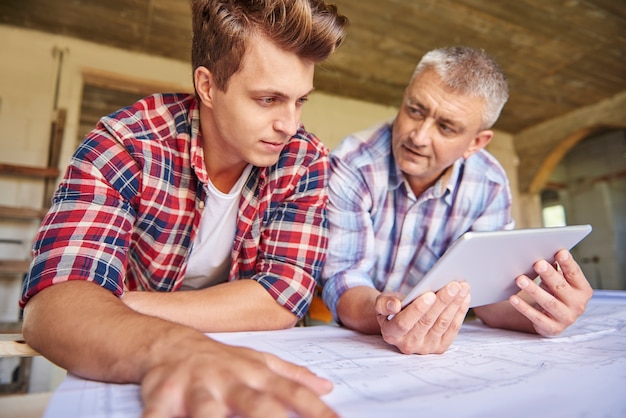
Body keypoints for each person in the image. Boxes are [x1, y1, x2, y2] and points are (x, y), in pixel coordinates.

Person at [20, 0, 348, 416]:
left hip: (240, 357)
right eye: (268, 100)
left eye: (300, 101)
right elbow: (55, 304)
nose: (290, 124)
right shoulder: (124, 145)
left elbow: (282, 299)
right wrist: (174, 345)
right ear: (208, 86)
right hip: (142, 356)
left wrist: (114, 304)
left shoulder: (305, 159)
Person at [321, 46, 593, 355]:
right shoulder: (353, 161)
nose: (418, 137)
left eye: (446, 127)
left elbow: (489, 299)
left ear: (475, 143)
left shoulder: (489, 183)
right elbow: (342, 279)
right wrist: (384, 313)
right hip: (360, 341)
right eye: (414, 110)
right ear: (406, 95)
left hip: (445, 340)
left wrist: (543, 315)